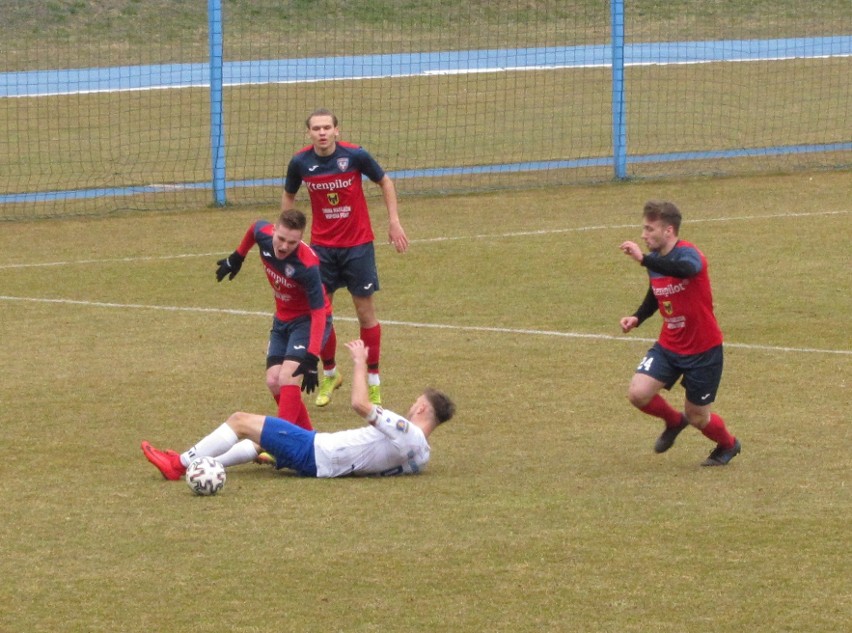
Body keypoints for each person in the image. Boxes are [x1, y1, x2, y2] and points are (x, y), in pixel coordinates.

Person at [141, 340, 455, 479]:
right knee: (261, 440)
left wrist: (360, 362)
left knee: (240, 421)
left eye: (416, 403)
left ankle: (179, 465)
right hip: (325, 460)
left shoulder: (408, 432)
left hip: (317, 453)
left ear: (423, 409)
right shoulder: (422, 456)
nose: (411, 406)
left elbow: (360, 404)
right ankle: (204, 465)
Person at [281, 108, 409, 408]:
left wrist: (393, 221)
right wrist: (285, 231)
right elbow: (289, 195)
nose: (322, 133)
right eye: (316, 128)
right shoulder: (300, 162)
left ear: (337, 131)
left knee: (365, 314)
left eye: (327, 127)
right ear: (308, 133)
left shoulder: (355, 156)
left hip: (358, 247)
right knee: (320, 314)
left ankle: (373, 382)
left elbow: (385, 182)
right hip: (321, 250)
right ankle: (331, 373)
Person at [618, 200, 741, 466]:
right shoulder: (656, 262)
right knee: (638, 394)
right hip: (669, 346)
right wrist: (637, 317)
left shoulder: (689, 255)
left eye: (650, 229)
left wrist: (643, 259)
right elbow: (656, 292)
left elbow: (687, 270)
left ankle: (729, 445)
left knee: (698, 417)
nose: (644, 235)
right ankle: (674, 421)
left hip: (703, 350)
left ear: (669, 231)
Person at [215, 209, 332, 431]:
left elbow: (319, 312)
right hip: (282, 320)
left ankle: (281, 443)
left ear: (300, 239)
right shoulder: (264, 234)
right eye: (281, 238)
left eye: (292, 242)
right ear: (274, 230)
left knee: (288, 377)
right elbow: (254, 226)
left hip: (308, 321)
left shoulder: (307, 266)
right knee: (273, 380)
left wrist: (311, 356)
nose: (284, 246)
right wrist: (238, 256)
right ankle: (308, 437)